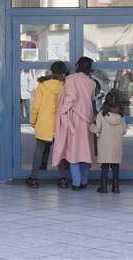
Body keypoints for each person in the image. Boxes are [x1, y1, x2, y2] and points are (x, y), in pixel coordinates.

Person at [51, 56, 96, 190]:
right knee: (86, 153)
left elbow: (71, 97)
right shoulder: (92, 83)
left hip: (74, 120)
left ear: (77, 66)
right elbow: (92, 100)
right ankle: (84, 181)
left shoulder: (70, 79)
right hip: (87, 120)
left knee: (74, 153)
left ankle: (76, 183)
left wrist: (63, 111)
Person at [26, 61, 68, 189]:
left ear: (51, 71)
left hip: (44, 123)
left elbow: (36, 107)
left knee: (39, 151)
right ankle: (62, 179)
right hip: (60, 124)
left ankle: (34, 178)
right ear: (64, 72)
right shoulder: (66, 86)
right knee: (60, 151)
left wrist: (33, 121)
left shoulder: (42, 86)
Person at [89, 89, 127, 194]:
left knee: (104, 167)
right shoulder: (121, 115)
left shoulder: (101, 114)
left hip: (104, 145)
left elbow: (97, 130)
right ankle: (116, 187)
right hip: (117, 145)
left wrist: (91, 125)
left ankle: (104, 187)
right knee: (115, 167)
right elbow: (124, 130)